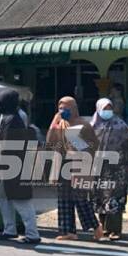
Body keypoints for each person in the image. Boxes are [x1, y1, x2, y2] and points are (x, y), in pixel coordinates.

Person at [46, 96, 103, 241]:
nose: (63, 110)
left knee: (80, 198)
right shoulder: (60, 124)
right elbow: (50, 142)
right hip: (63, 165)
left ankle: (96, 227)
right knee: (64, 198)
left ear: (74, 109)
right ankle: (68, 231)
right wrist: (54, 121)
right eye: (60, 108)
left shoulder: (84, 125)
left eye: (66, 108)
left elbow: (93, 146)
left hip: (80, 164)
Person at [91, 98, 128, 240]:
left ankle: (116, 230)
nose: (107, 111)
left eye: (109, 108)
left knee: (115, 198)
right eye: (104, 108)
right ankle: (102, 229)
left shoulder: (121, 126)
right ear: (98, 109)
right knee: (100, 198)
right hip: (99, 168)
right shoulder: (92, 126)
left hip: (117, 169)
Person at [0, 90, 41, 244]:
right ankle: (9, 230)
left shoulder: (14, 119)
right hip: (10, 164)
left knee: (21, 200)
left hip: (16, 164)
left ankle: (33, 234)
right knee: (2, 196)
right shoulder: (10, 117)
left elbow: (12, 144)